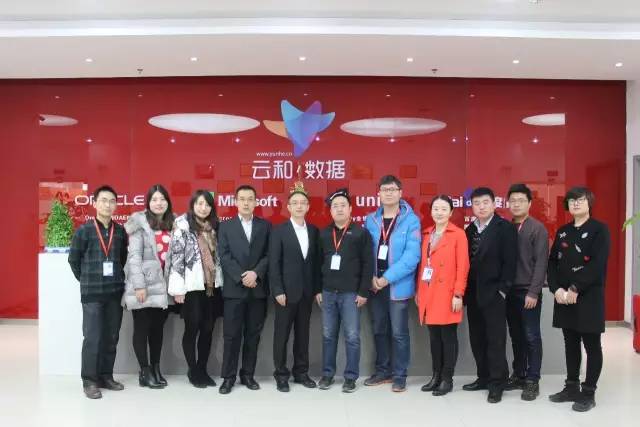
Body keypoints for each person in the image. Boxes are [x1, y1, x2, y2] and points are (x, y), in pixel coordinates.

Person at [547, 186, 610, 412]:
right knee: (570, 343)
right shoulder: (563, 231)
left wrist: (575, 287)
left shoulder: (599, 230)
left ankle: (588, 392)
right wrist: (556, 289)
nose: (575, 203)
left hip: (588, 296)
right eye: (572, 200)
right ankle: (571, 387)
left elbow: (597, 264)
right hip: (564, 297)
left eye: (580, 200)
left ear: (589, 203)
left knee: (592, 345)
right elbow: (552, 262)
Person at [68, 185, 128, 399]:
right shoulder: (83, 231)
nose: (108, 205)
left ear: (116, 205)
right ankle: (89, 381)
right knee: (92, 337)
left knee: (111, 336)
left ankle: (106, 376)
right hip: (92, 295)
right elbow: (74, 260)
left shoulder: (120, 231)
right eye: (103, 200)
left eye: (112, 201)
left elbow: (122, 259)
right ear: (95, 203)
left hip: (114, 293)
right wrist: (87, 280)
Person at [363, 175, 421, 392]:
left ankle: (400, 375)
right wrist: (371, 277)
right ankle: (382, 371)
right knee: (379, 330)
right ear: (378, 193)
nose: (388, 193)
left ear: (400, 193)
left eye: (392, 189)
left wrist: (387, 278)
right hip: (375, 285)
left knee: (399, 333)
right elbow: (364, 252)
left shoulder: (411, 220)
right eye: (384, 189)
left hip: (397, 285)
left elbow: (412, 256)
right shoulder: (371, 220)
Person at [463, 187, 517, 403]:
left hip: (494, 293)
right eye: (477, 203)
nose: (481, 207)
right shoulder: (469, 230)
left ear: (494, 204)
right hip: (473, 293)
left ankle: (497, 383)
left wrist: (503, 290)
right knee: (477, 337)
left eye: (486, 202)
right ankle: (483, 377)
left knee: (495, 339)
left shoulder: (505, 228)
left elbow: (510, 262)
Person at [317, 188, 373, 393]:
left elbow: (368, 264)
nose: (339, 209)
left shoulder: (361, 233)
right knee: (328, 335)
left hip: (351, 294)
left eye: (343, 205)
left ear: (350, 209)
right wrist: (318, 290)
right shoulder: (324, 233)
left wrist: (363, 292)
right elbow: (317, 264)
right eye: (335, 206)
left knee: (352, 336)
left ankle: (350, 377)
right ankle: (327, 374)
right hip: (328, 293)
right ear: (330, 210)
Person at [218, 185, 271, 394]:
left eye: (250, 199)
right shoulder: (226, 226)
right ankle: (228, 377)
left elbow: (269, 254)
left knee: (253, 335)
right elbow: (224, 256)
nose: (246, 203)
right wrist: (242, 276)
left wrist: (255, 273)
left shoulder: (265, 226)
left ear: (256, 202)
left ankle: (248, 374)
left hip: (257, 289)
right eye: (242, 199)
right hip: (234, 290)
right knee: (231, 336)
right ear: (235, 202)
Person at [167, 189, 223, 388]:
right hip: (191, 287)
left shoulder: (215, 226)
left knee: (208, 329)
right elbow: (176, 258)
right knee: (192, 329)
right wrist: (177, 289)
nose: (203, 208)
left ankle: (202, 369)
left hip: (211, 287)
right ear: (193, 205)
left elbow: (218, 258)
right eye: (199, 203)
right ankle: (193, 370)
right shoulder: (182, 226)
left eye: (207, 204)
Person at [416, 195, 469, 396]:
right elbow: (423, 266)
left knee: (448, 338)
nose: (439, 213)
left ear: (451, 212)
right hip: (428, 293)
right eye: (436, 209)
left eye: (443, 209)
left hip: (448, 294)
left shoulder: (458, 234)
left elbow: (463, 266)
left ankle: (447, 378)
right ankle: (436, 376)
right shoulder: (427, 234)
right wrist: (419, 291)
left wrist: (458, 294)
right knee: (434, 338)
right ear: (431, 212)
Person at [269, 182, 320, 392]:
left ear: (308, 206)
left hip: (306, 293)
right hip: (285, 294)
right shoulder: (279, 231)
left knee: (303, 335)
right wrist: (278, 290)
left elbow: (316, 263)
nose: (299, 206)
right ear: (288, 207)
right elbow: (274, 263)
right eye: (295, 203)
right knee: (281, 335)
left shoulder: (314, 231)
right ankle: (281, 375)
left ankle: (301, 373)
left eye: (303, 203)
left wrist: (317, 289)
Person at [122, 184, 174, 389]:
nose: (158, 203)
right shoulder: (139, 224)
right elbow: (134, 257)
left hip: (162, 288)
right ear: (148, 203)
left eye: (162, 199)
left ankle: (155, 367)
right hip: (143, 286)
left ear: (168, 202)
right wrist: (139, 286)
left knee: (157, 330)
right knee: (142, 329)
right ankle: (144, 371)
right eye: (154, 199)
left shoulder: (174, 223)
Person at [504, 183, 549, 400]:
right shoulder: (507, 228)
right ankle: (519, 374)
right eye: (513, 201)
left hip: (528, 292)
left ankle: (533, 379)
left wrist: (534, 292)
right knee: (516, 336)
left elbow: (541, 263)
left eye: (521, 200)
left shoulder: (537, 228)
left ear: (529, 204)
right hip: (509, 292)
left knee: (531, 336)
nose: (516, 204)